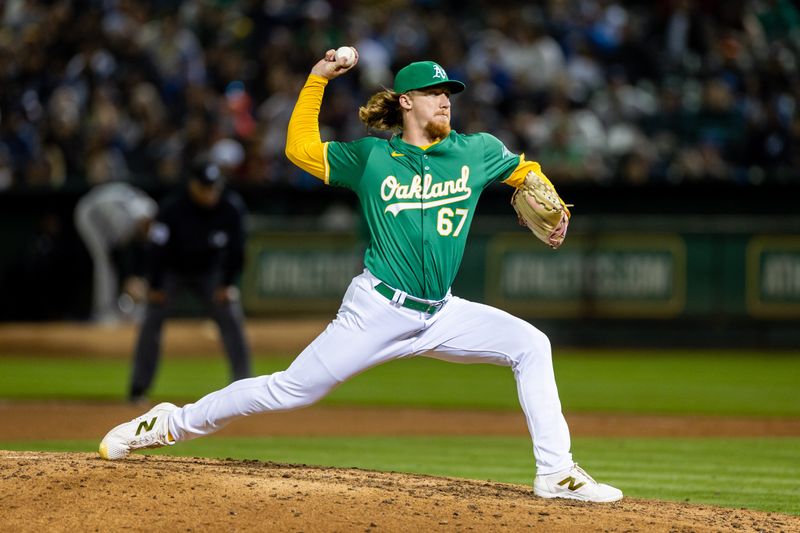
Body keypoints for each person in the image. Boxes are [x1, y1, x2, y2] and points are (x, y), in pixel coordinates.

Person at [100, 49, 623, 503]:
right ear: (405, 102)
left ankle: (556, 473)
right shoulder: (373, 158)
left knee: (531, 344)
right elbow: (299, 149)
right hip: (377, 310)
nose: (445, 100)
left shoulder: (475, 150)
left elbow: (525, 171)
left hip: (442, 312)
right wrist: (317, 79)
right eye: (432, 91)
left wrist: (549, 196)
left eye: (449, 92)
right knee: (289, 391)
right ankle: (167, 423)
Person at [127, 161, 252, 403]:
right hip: (174, 272)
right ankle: (138, 389)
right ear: (192, 185)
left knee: (231, 316)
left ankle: (244, 387)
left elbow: (237, 251)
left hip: (210, 273)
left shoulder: (230, 207)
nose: (210, 192)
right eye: (205, 187)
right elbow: (156, 249)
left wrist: (227, 284)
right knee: (152, 319)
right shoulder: (173, 208)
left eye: (214, 187)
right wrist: (155, 286)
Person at [74, 182, 157, 324]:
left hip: (104, 214)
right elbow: (119, 253)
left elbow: (143, 248)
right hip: (89, 214)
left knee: (113, 265)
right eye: (145, 223)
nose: (148, 226)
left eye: (150, 222)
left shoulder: (148, 211)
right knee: (103, 262)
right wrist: (129, 279)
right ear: (139, 219)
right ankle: (103, 312)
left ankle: (123, 309)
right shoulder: (126, 220)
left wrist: (135, 278)